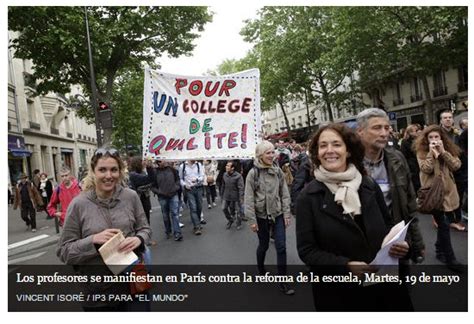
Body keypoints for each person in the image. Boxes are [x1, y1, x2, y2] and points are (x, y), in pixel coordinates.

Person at [296, 123, 413, 311]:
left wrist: (403, 243)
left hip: (385, 285)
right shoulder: (308, 197)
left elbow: (390, 225)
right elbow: (307, 251)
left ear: (348, 150)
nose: (329, 150)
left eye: (336, 144)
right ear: (317, 154)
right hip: (340, 294)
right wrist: (345, 266)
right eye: (323, 145)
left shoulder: (368, 185)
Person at [57, 147, 152, 311]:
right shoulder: (79, 204)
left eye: (114, 170)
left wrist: (139, 239)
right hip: (98, 294)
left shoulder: (131, 196)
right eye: (102, 170)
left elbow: (145, 229)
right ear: (93, 172)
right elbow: (64, 251)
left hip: (134, 287)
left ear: (120, 172)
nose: (109, 175)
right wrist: (93, 241)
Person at [356, 108, 425, 264]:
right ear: (360, 131)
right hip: (363, 244)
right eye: (377, 128)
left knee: (399, 285)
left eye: (387, 128)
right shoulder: (348, 162)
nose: (384, 133)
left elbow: (410, 204)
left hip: (396, 240)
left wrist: (417, 242)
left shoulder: (397, 158)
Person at [244, 141, 294, 296]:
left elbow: (284, 193)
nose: (272, 155)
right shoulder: (253, 173)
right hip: (261, 216)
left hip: (277, 213)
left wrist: (286, 213)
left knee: (281, 247)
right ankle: (261, 269)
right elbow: (248, 198)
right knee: (264, 245)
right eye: (268, 153)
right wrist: (252, 220)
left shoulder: (277, 170)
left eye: (273, 152)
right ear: (260, 155)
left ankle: (283, 281)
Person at [415, 125, 463, 272]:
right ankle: (450, 259)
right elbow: (426, 169)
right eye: (431, 138)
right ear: (426, 139)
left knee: (445, 224)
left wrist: (443, 153)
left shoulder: (448, 149)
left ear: (442, 138)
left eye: (437, 137)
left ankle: (438, 249)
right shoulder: (422, 152)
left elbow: (456, 166)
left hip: (449, 192)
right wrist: (431, 153)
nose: (434, 140)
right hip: (434, 194)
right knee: (444, 225)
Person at [150, 160, 183, 241]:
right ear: (157, 163)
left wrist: (176, 187)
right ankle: (168, 231)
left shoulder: (172, 169)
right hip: (162, 197)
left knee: (175, 213)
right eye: (160, 161)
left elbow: (178, 179)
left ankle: (177, 233)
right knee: (165, 215)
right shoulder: (154, 173)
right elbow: (152, 186)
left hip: (173, 194)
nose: (162, 162)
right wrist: (159, 192)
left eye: (163, 160)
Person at [179, 160, 205, 235]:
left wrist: (197, 179)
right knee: (193, 207)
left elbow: (202, 176)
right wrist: (184, 185)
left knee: (199, 207)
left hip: (199, 188)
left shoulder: (198, 165)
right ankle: (196, 226)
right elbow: (180, 178)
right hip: (189, 190)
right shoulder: (183, 166)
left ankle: (198, 222)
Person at [128, 156, 154, 225]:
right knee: (142, 223)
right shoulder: (133, 175)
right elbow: (149, 179)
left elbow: (150, 182)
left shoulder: (141, 172)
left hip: (144, 200)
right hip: (139, 202)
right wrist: (149, 167)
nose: (144, 163)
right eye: (142, 161)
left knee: (146, 221)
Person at [221, 160, 244, 230]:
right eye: (226, 165)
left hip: (236, 197)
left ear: (232, 168)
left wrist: (241, 198)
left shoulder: (238, 176)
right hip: (226, 195)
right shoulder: (224, 174)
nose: (226, 167)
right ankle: (230, 220)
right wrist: (221, 194)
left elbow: (241, 188)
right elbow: (223, 185)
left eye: (228, 166)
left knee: (238, 211)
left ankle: (239, 223)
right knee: (224, 208)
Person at [400, 124, 422, 193]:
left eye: (418, 130)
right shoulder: (405, 142)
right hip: (412, 167)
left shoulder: (420, 139)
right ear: (410, 132)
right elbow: (404, 155)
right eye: (415, 131)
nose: (417, 132)